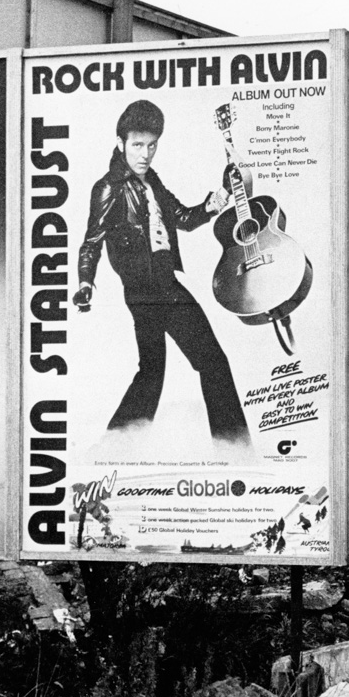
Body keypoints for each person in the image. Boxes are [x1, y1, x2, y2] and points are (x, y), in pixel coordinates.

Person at [73, 100, 250, 445]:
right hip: (142, 291)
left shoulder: (152, 181)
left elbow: (183, 217)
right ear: (121, 143)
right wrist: (85, 282)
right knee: (170, 368)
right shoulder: (108, 188)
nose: (145, 154)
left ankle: (231, 449)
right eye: (137, 145)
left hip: (167, 285)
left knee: (183, 366)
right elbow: (91, 241)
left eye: (152, 145)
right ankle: (118, 447)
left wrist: (220, 198)